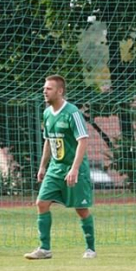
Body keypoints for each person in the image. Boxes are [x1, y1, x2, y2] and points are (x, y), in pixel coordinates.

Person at [25, 75, 96, 260]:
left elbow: (83, 141)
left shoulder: (72, 112)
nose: (44, 91)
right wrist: (42, 166)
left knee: (81, 209)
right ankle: (44, 249)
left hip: (74, 168)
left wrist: (74, 169)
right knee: (41, 203)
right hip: (55, 169)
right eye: (44, 88)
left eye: (48, 88)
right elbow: (48, 141)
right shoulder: (47, 113)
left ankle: (91, 249)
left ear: (60, 91)